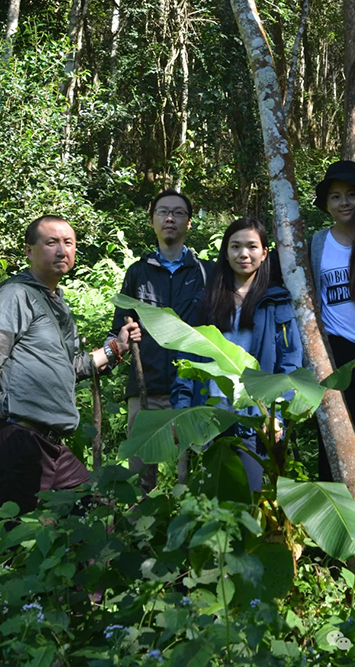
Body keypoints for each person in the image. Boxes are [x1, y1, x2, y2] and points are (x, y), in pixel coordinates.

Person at [0, 215, 139, 519]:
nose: (62, 250)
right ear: (29, 251)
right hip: (17, 437)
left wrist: (115, 349)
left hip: (50, 444)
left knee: (97, 520)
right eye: (51, 242)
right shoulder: (15, 295)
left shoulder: (57, 304)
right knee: (0, 542)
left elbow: (72, 367)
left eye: (68, 243)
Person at [171, 217, 303, 492]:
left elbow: (289, 362)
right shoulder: (206, 300)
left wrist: (278, 417)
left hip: (256, 419)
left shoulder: (277, 301)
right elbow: (189, 359)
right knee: (211, 502)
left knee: (250, 500)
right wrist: (181, 411)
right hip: (211, 417)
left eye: (252, 246)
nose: (243, 254)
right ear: (226, 251)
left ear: (265, 252)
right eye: (235, 246)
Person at [109, 189, 215, 489]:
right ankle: (141, 535)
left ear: (189, 223)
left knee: (190, 477)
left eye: (179, 213)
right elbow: (118, 327)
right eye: (163, 212)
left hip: (194, 388)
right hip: (147, 388)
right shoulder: (137, 272)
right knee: (141, 476)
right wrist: (122, 339)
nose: (170, 218)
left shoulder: (207, 272)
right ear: (152, 220)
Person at [309, 160, 355, 481]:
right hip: (333, 354)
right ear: (327, 204)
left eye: (350, 194)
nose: (344, 202)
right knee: (332, 436)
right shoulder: (318, 243)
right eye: (336, 196)